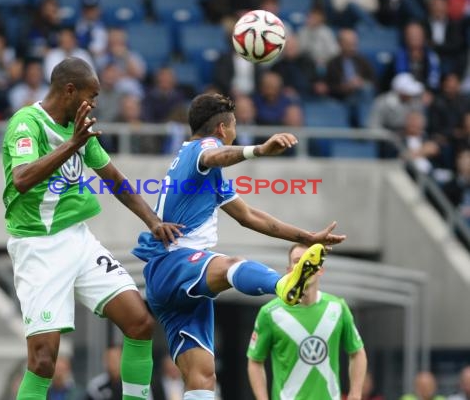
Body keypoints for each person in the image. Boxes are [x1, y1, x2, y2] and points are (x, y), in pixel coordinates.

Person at [132, 93, 346, 400]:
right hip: (174, 263)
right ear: (222, 130)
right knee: (232, 265)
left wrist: (307, 237)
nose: (235, 132)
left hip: (175, 282)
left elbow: (249, 216)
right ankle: (284, 284)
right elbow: (213, 155)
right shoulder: (202, 149)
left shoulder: (200, 170)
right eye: (234, 126)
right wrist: (258, 150)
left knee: (202, 377)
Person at [1, 56, 183, 400]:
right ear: (69, 91)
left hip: (79, 240)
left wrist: (153, 221)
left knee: (140, 323)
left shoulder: (79, 126)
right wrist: (73, 144)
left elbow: (113, 178)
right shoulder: (26, 124)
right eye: (91, 95)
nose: (94, 103)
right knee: (43, 360)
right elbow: (22, 179)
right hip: (37, 246)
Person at [247, 243, 367, 400]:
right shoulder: (270, 313)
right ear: (289, 271)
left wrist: (355, 394)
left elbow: (357, 352)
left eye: (310, 261)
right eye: (298, 261)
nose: (304, 266)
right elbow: (255, 360)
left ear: (320, 269)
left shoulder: (338, 308)